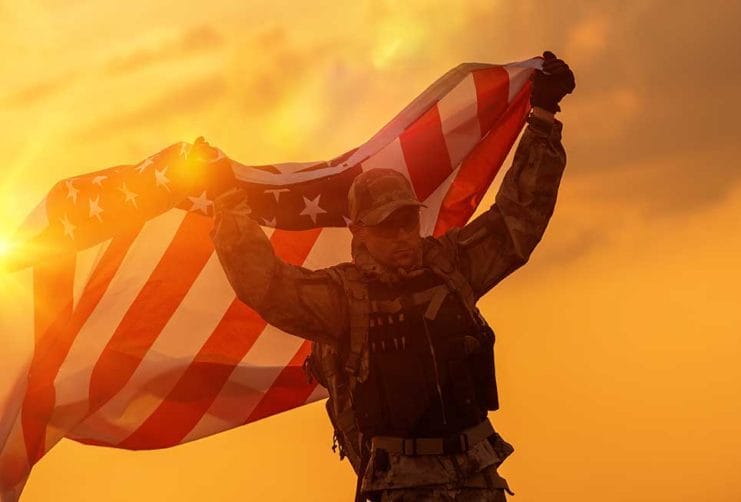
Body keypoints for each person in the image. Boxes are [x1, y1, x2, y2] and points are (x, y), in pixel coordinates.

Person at [211, 51, 575, 501]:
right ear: (360, 231)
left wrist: (542, 119)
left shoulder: (451, 267)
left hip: (477, 474)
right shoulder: (343, 298)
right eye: (387, 226)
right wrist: (229, 206)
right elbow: (266, 285)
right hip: (402, 484)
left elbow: (519, 219)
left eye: (407, 222)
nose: (402, 236)